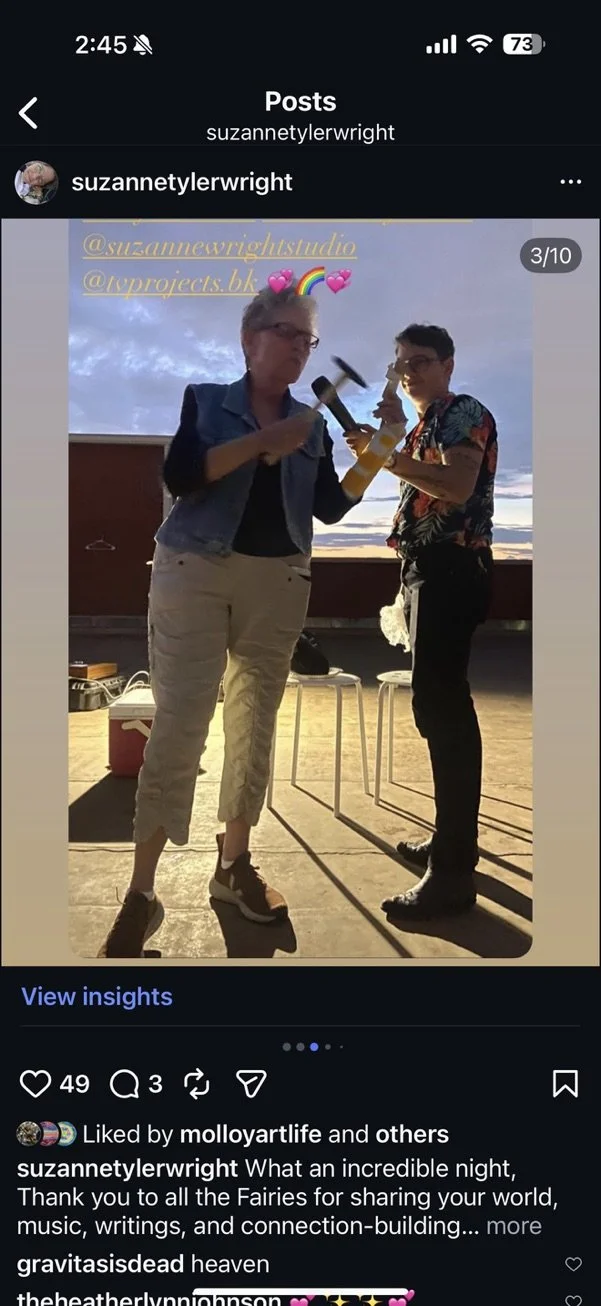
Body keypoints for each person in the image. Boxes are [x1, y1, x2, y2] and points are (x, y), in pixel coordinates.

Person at [99, 284, 362, 957]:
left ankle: (233, 865)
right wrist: (263, 441)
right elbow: (183, 475)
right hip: (194, 569)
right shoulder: (206, 400)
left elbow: (330, 507)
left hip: (279, 579)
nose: (299, 347)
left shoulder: (314, 424)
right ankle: (141, 892)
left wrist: (378, 453)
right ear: (249, 341)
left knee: (255, 723)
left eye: (307, 339)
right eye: (286, 332)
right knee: (179, 725)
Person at [346, 324, 498, 920]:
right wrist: (389, 438)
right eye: (401, 362)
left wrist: (387, 456)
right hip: (428, 570)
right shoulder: (423, 424)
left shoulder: (462, 412)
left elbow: (457, 487)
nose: (409, 371)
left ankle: (453, 873)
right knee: (436, 709)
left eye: (422, 361)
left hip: (451, 568)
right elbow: (408, 467)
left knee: (445, 712)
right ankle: (451, 842)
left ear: (448, 365)